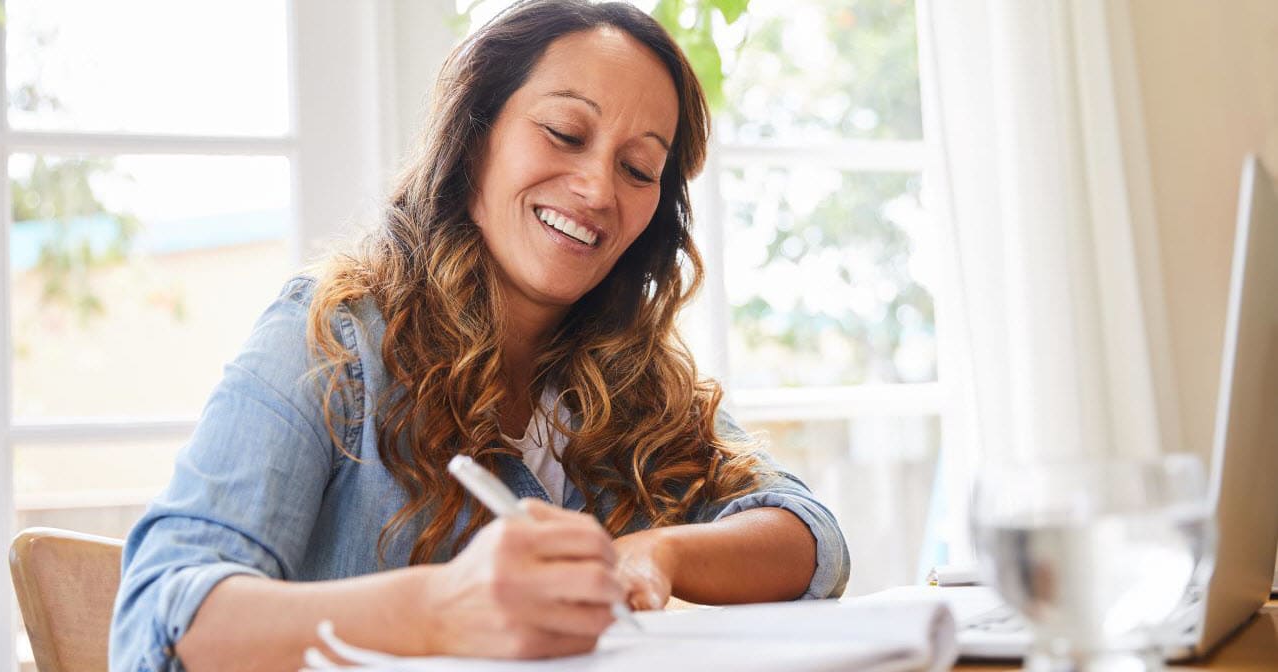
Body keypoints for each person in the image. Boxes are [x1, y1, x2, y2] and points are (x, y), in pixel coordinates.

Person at [109, 1, 848, 670]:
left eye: (637, 167)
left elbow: (810, 538)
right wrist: (441, 609)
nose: (597, 190)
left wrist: (662, 551)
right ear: (472, 141)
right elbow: (158, 622)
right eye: (564, 133)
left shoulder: (637, 383)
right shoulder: (334, 341)